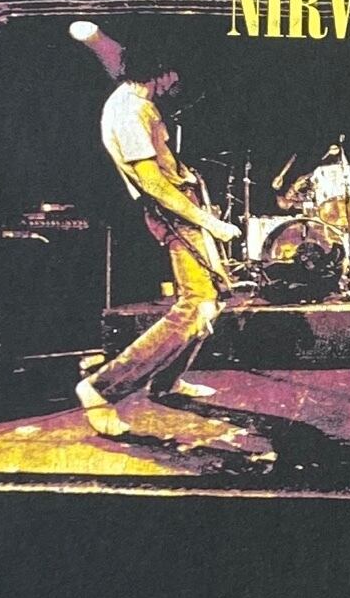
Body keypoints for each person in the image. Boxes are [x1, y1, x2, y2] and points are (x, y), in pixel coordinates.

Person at [76, 57, 240, 437]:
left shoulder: (139, 103)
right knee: (196, 304)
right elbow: (153, 183)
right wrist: (211, 223)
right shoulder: (129, 111)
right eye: (174, 77)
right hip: (174, 213)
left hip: (184, 207)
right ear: (162, 71)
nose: (176, 85)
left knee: (212, 300)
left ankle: (166, 382)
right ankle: (101, 389)